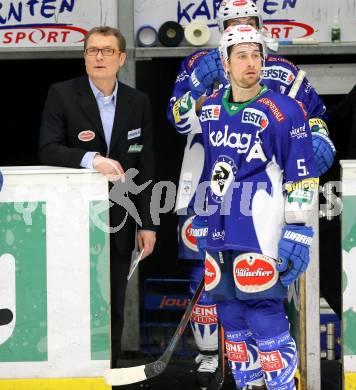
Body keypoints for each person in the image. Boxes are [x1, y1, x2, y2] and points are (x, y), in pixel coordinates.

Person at [167, 0, 334, 387]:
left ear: (261, 26)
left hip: (265, 212)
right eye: (233, 26)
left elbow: (315, 117)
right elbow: (179, 121)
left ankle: (280, 382)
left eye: (249, 26)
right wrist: (195, 82)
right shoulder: (203, 81)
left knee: (262, 304)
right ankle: (229, 369)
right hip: (218, 209)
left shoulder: (283, 76)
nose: (242, 31)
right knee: (228, 309)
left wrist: (317, 142)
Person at [196, 24, 318, 390]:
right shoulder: (212, 108)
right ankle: (249, 385)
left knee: (263, 311)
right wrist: (203, 215)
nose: (251, 63)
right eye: (242, 56)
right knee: (230, 313)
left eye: (256, 55)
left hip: (261, 223)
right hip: (220, 223)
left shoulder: (286, 110)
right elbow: (212, 166)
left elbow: (301, 173)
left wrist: (298, 229)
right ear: (225, 62)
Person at [39, 26, 156, 367]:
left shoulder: (138, 102)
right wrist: (93, 160)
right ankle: (70, 371)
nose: (99, 57)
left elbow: (145, 169)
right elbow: (47, 149)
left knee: (112, 303)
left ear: (121, 58)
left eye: (107, 51)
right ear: (84, 56)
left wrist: (148, 225)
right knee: (70, 301)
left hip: (118, 223)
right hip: (70, 221)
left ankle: (108, 370)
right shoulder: (61, 94)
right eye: (92, 50)